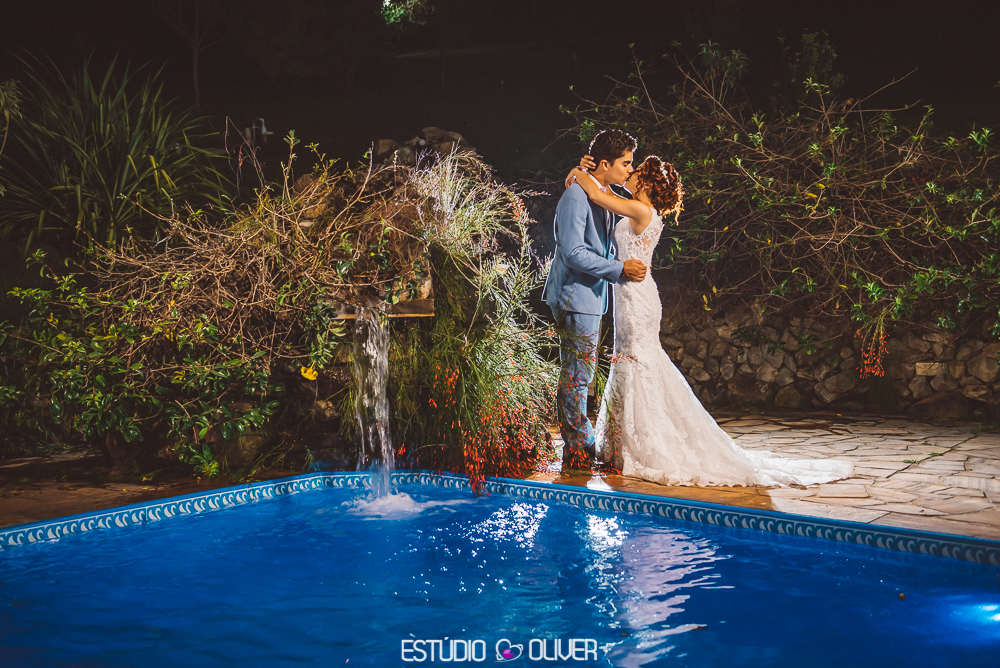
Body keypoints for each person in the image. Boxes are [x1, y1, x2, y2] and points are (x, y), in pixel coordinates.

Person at [566, 156, 853, 486]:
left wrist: (578, 172)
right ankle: (624, 441)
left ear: (644, 183)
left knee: (637, 361)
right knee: (632, 361)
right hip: (631, 293)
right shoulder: (639, 208)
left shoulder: (641, 211)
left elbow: (600, 197)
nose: (628, 174)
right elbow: (607, 192)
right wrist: (594, 175)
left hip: (636, 300)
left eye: (635, 171)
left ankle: (641, 444)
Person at [542, 129, 647, 470]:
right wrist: (618, 268)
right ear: (606, 163)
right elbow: (572, 252)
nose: (630, 171)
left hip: (590, 298)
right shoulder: (577, 196)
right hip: (574, 296)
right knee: (576, 375)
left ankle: (580, 446)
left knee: (581, 373)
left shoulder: (601, 192)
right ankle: (577, 452)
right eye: (625, 164)